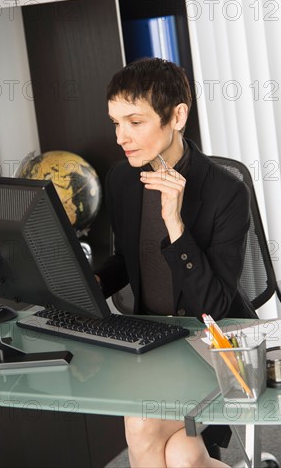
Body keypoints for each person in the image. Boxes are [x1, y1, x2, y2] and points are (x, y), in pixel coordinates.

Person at [95, 57, 257, 468]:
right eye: (116, 123)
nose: (121, 137)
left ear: (178, 116)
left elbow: (216, 306)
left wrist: (175, 223)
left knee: (140, 424)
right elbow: (127, 259)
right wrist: (89, 281)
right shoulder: (121, 179)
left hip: (215, 349)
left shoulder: (226, 192)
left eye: (135, 122)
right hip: (152, 345)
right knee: (184, 456)